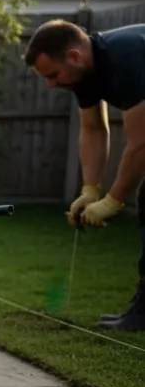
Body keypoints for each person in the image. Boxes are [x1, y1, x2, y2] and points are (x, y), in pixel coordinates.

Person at [24, 19, 145, 332]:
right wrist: (90, 189)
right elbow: (93, 129)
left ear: (74, 57)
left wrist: (114, 200)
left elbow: (141, 142)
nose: (50, 85)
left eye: (53, 75)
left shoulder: (128, 57)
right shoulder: (85, 73)